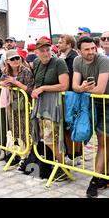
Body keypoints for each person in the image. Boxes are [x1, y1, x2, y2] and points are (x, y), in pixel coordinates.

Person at [72, 37, 109, 198]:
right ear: (79, 51)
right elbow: (74, 85)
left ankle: (95, 179)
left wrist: (81, 89)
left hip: (106, 104)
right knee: (103, 142)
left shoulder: (103, 60)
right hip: (91, 104)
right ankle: (102, 175)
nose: (91, 52)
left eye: (93, 48)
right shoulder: (77, 61)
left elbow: (100, 90)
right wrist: (81, 88)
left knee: (102, 142)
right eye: (87, 49)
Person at [31, 38, 69, 180]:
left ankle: (64, 168)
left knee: (50, 139)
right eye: (42, 51)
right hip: (41, 105)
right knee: (44, 137)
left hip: (54, 105)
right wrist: (36, 89)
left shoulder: (59, 62)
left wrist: (43, 88)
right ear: (36, 52)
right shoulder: (36, 63)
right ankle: (57, 165)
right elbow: (37, 82)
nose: (46, 53)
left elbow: (64, 85)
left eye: (48, 50)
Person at [0, 49, 35, 165]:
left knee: (26, 130)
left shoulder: (26, 71)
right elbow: (0, 80)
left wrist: (15, 83)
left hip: (25, 105)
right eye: (12, 59)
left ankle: (27, 155)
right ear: (7, 61)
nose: (15, 61)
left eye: (17, 58)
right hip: (12, 105)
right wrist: (3, 83)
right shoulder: (6, 71)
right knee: (15, 129)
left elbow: (30, 90)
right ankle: (20, 153)